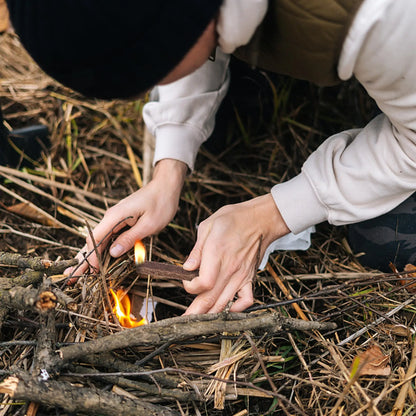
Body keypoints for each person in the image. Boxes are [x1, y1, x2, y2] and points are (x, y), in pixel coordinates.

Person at [6, 0, 416, 314]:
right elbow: (183, 32)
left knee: (383, 239)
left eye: (152, 72)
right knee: (225, 124)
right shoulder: (181, 18)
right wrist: (168, 170)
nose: (155, 85)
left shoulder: (383, 15)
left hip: (397, 46)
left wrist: (272, 215)